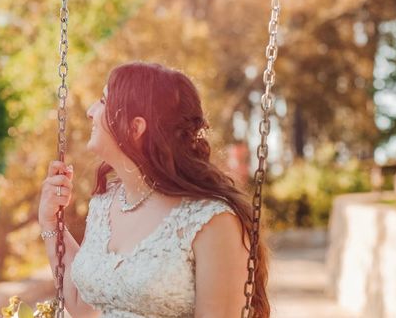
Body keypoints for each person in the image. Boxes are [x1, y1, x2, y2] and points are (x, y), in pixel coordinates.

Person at [38, 62, 269, 317]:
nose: (91, 111)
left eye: (103, 101)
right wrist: (52, 223)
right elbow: (83, 306)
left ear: (135, 128)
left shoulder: (212, 221)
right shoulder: (105, 204)